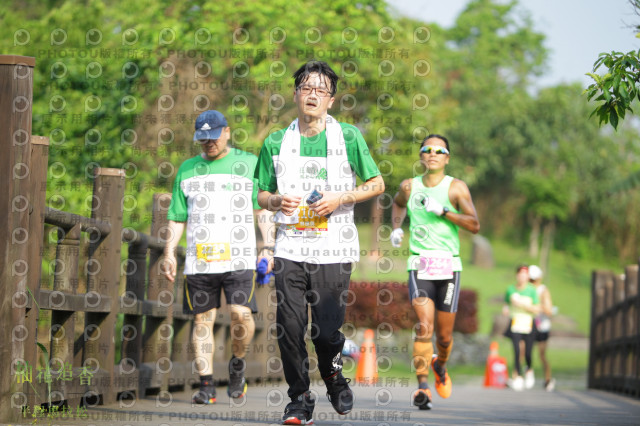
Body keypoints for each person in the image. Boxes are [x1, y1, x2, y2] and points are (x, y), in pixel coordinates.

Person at [254, 60, 385, 425]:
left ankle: (333, 376)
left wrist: (340, 198)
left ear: (331, 99)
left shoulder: (349, 137)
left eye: (321, 89)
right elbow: (261, 194)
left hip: (334, 247)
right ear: (295, 94)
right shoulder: (277, 141)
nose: (312, 95)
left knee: (325, 332)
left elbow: (377, 184)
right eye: (306, 88)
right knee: (290, 327)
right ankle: (299, 399)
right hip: (291, 246)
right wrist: (276, 201)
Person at [163, 110, 275, 404]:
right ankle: (207, 385)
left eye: (213, 138)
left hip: (239, 259)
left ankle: (237, 363)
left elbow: (262, 210)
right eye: (203, 139)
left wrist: (267, 246)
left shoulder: (248, 163)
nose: (208, 144)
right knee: (202, 321)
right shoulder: (187, 169)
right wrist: (168, 253)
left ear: (227, 132)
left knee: (241, 316)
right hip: (200, 260)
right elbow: (177, 216)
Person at [391, 134, 480, 410]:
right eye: (426, 149)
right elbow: (396, 204)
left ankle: (440, 366)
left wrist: (444, 211)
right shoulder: (409, 186)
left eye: (438, 150)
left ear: (447, 158)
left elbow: (474, 224)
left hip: (448, 266)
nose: (432, 154)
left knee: (444, 337)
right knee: (424, 327)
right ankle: (422, 387)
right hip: (420, 264)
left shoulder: (456, 188)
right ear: (421, 156)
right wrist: (396, 227)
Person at [503, 264, 540, 391]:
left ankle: (529, 369)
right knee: (517, 351)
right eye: (520, 274)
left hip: (528, 323)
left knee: (528, 352)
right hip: (516, 323)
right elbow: (506, 303)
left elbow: (536, 309)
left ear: (528, 276)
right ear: (517, 275)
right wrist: (507, 308)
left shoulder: (532, 290)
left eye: (525, 274)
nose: (522, 277)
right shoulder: (511, 289)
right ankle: (517, 376)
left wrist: (522, 305)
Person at [528, 264, 556, 391]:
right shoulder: (526, 289)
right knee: (524, 351)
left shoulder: (543, 291)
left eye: (533, 279)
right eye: (530, 279)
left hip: (542, 326)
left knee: (542, 355)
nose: (532, 282)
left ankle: (548, 379)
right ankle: (525, 376)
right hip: (528, 324)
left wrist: (538, 304)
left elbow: (549, 310)